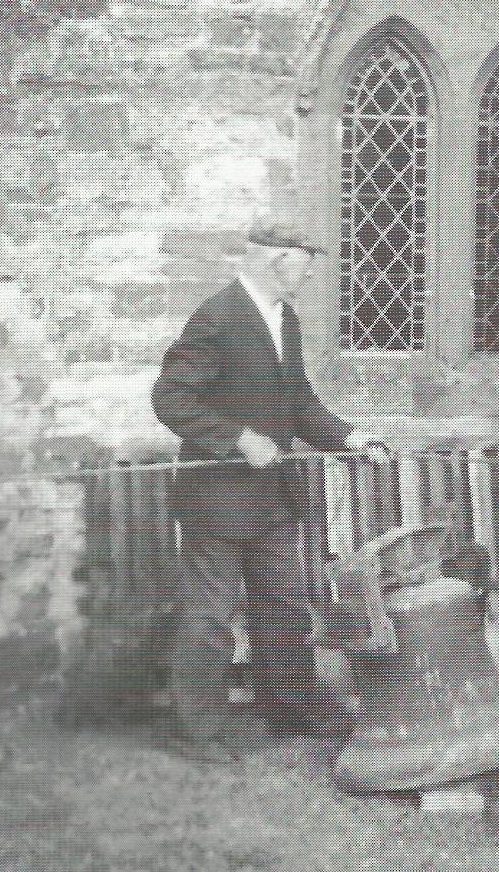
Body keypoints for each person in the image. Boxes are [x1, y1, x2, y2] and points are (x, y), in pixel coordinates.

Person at [152, 216, 396, 763]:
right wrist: (238, 438)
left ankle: (289, 708)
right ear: (269, 260)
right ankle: (200, 731)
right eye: (300, 269)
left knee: (284, 606)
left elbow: (299, 401)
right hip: (216, 502)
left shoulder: (284, 319)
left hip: (273, 500)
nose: (304, 281)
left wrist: (352, 436)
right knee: (210, 616)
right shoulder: (216, 317)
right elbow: (170, 401)